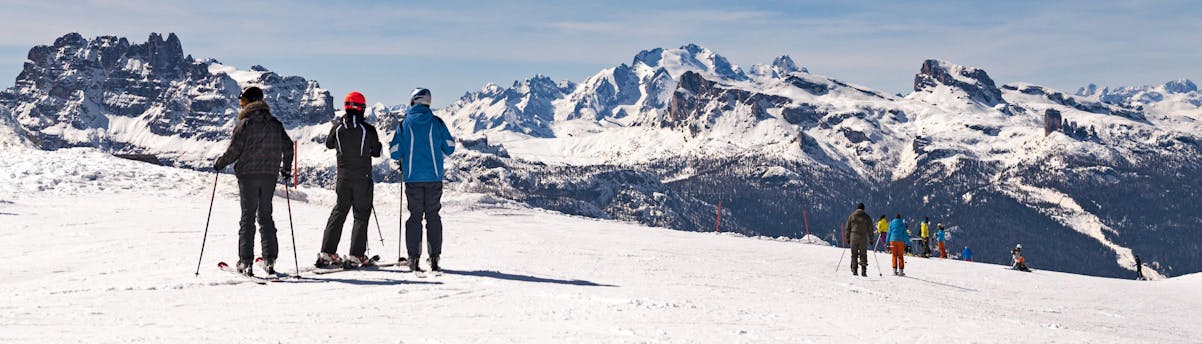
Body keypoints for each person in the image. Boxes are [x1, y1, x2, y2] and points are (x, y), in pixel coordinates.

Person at [213, 86, 294, 277]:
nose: (241, 105)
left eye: (242, 102)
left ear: (249, 102)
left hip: (248, 176)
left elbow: (234, 151)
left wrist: (219, 164)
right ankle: (269, 260)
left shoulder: (245, 124)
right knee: (266, 216)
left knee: (247, 218)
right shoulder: (275, 123)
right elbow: (288, 147)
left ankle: (246, 262)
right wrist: (286, 169)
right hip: (270, 176)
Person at [390, 88, 455, 274]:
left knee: (415, 217)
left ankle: (414, 258)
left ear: (413, 101)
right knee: (433, 216)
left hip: (412, 178)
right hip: (434, 177)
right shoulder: (437, 122)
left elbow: (394, 151)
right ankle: (434, 258)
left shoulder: (405, 124)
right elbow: (450, 147)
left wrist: (405, 155)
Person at [316, 91, 384, 268]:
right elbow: (376, 152)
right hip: (362, 178)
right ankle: (356, 255)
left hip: (343, 178)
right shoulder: (368, 130)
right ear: (362, 109)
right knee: (361, 215)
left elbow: (329, 144)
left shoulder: (338, 128)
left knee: (339, 212)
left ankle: (327, 252)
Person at [844, 203, 873, 277]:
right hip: (863, 236)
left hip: (853, 236)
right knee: (863, 253)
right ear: (863, 209)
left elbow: (848, 228)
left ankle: (854, 269)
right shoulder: (867, 217)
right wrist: (871, 239)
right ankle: (863, 271)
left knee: (854, 254)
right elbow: (870, 229)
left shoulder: (852, 216)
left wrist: (847, 238)